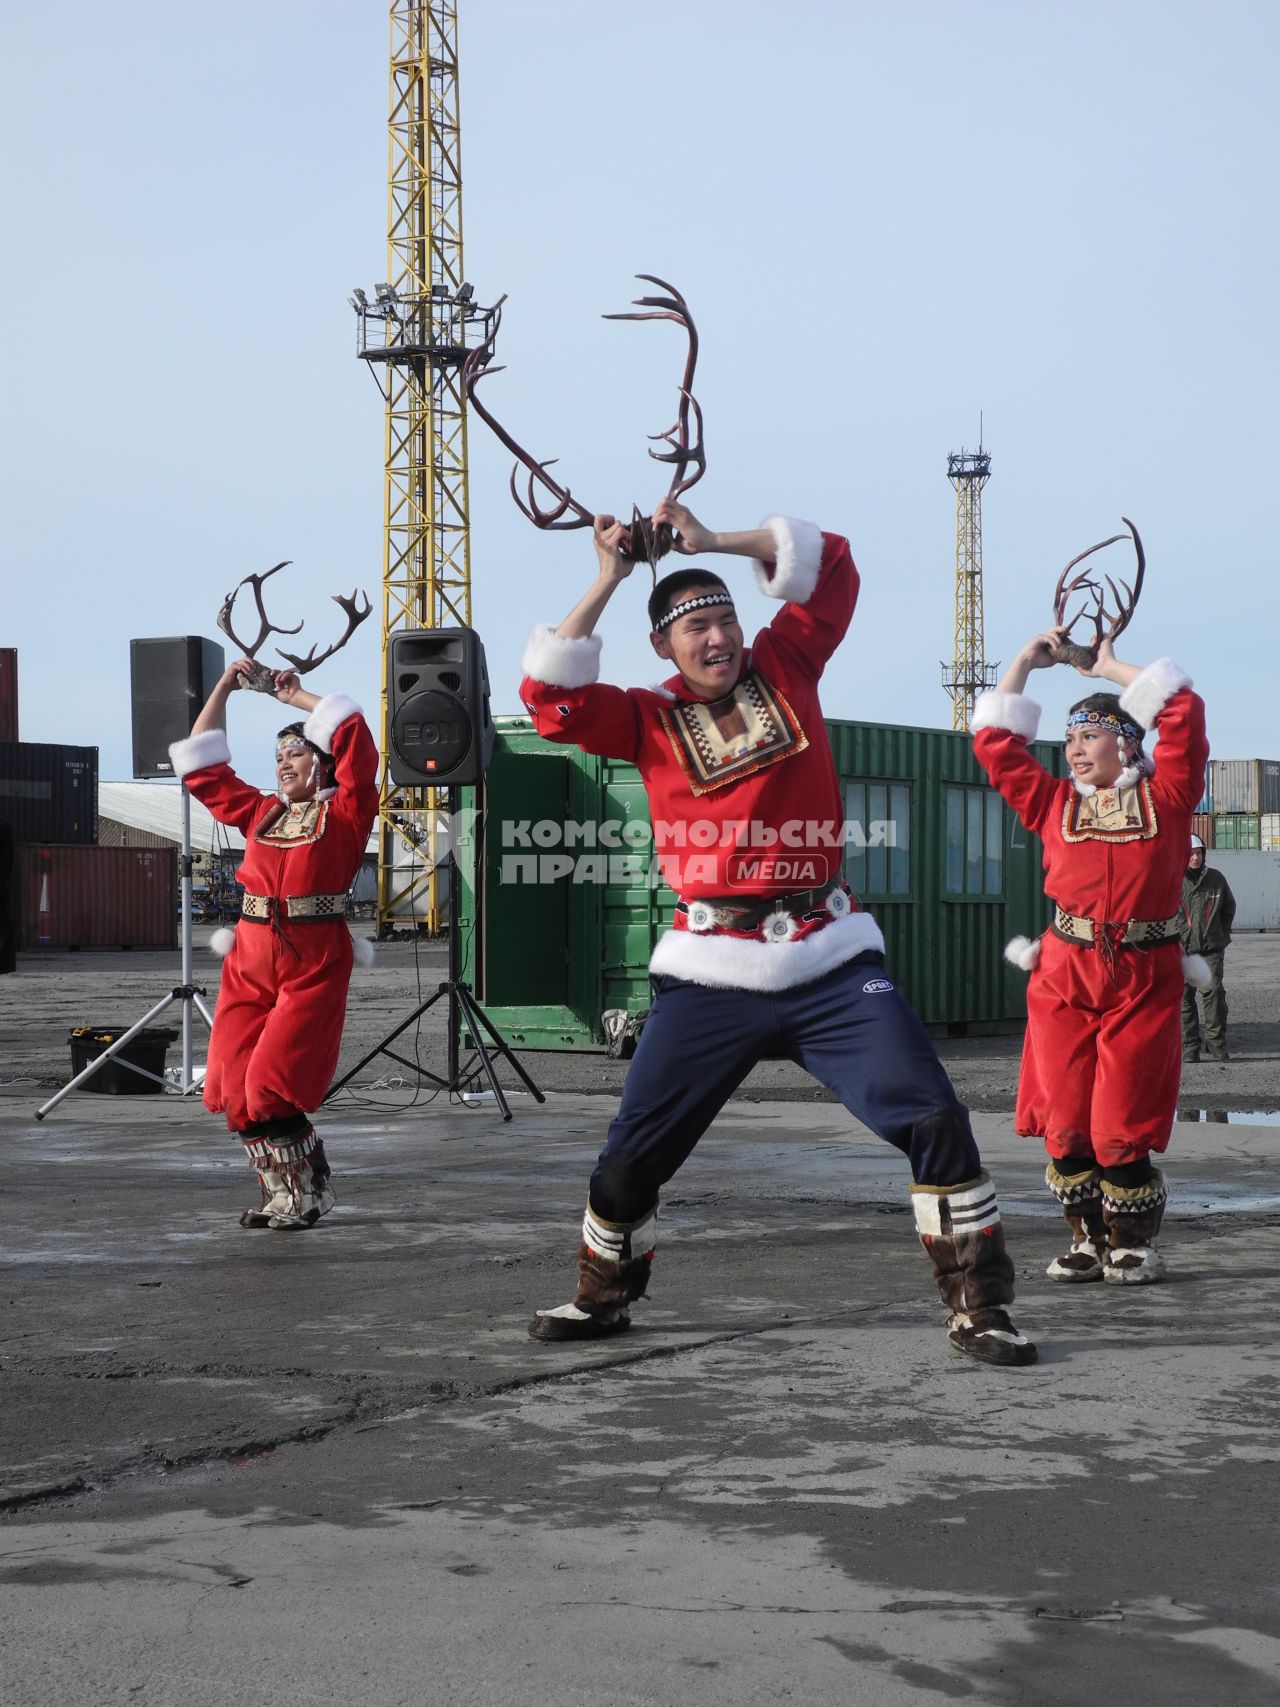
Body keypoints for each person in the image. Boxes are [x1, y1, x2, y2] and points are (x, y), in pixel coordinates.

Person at [516, 498, 1036, 1367]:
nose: (718, 639)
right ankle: (602, 1295)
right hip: (712, 970)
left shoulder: (788, 663)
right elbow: (550, 700)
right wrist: (608, 575)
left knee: (935, 1113)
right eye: (697, 629)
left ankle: (979, 1304)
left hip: (829, 960)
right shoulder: (643, 717)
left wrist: (716, 539)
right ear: (664, 648)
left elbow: (833, 564)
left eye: (726, 619)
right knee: (629, 1159)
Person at [972, 629, 1208, 1285]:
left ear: (1127, 740)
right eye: (1070, 739)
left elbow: (1184, 709)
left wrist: (1107, 666)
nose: (1074, 749)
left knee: (1121, 1115)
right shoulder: (1054, 803)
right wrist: (1022, 662)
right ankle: (1087, 1238)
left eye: (1090, 736)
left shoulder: (1168, 799)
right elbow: (995, 746)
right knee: (1066, 1115)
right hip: (1063, 970)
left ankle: (1131, 1239)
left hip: (1142, 971)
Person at [168, 660, 378, 1229]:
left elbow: (357, 734)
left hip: (313, 960)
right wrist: (224, 688)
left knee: (270, 1084)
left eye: (297, 753)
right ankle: (277, 1193)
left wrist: (296, 698)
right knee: (233, 1085)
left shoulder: (349, 813)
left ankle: (309, 1189)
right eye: (279, 756)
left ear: (323, 761)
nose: (284, 762)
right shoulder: (262, 813)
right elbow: (204, 768)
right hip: (249, 958)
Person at [1180, 834, 1236, 1063]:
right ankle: (1190, 1047)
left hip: (1210, 950)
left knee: (1213, 994)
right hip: (1182, 952)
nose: (1195, 857)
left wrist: (1219, 934)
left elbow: (1228, 908)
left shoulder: (1216, 879)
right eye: (1191, 853)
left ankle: (1216, 1043)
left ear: (1204, 854)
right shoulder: (1173, 880)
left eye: (1198, 853)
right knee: (1184, 1000)